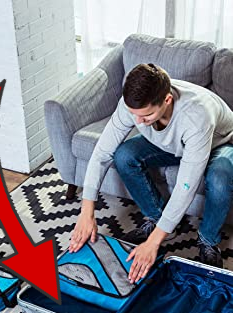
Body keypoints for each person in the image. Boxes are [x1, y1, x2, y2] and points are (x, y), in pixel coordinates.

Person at [69, 63, 233, 281]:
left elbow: (186, 186)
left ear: (167, 100)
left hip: (218, 143)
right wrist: (86, 211)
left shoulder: (196, 117)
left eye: (145, 116)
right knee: (124, 156)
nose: (137, 122)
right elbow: (102, 153)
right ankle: (156, 217)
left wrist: (153, 243)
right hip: (173, 145)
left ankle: (208, 240)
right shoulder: (133, 107)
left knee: (220, 179)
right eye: (133, 115)